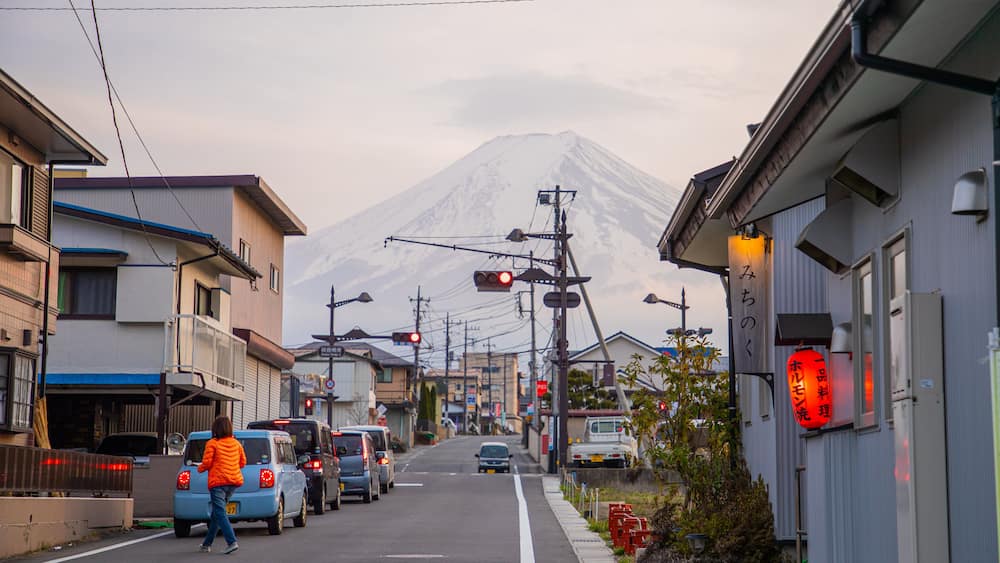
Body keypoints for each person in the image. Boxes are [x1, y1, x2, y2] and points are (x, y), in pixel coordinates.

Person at [198, 415, 246, 554]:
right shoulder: (236, 444)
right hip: (233, 482)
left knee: (219, 512)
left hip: (218, 482)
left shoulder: (212, 443)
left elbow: (207, 463)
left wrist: (199, 468)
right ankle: (206, 544)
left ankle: (231, 542)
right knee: (216, 514)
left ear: (216, 429)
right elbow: (243, 462)